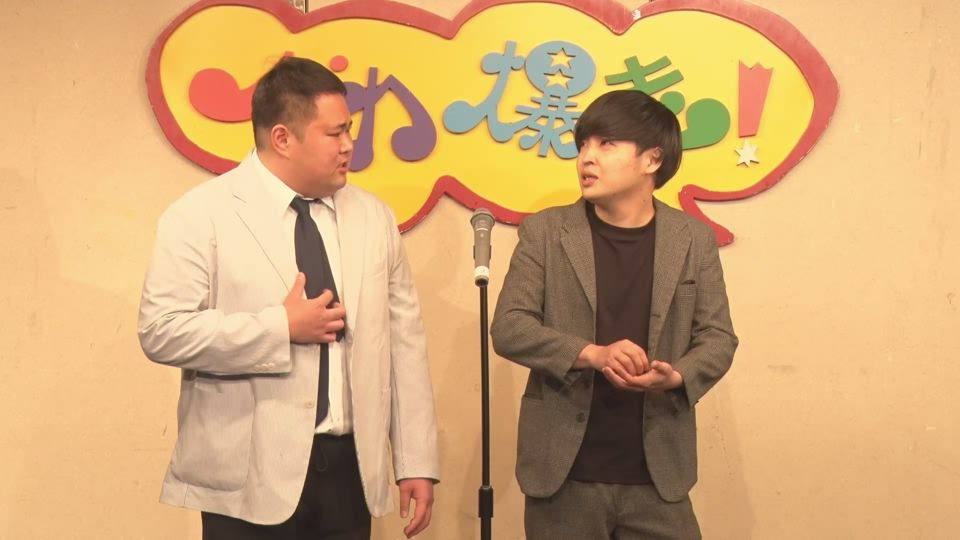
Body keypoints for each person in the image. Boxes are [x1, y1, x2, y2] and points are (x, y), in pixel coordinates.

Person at [138, 57, 438, 540]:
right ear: (282, 138)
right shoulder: (201, 215)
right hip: (246, 477)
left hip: (348, 471)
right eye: (335, 133)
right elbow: (162, 331)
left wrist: (415, 460)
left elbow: (404, 344)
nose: (349, 145)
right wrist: (280, 328)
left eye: (349, 129)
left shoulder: (374, 217)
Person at [490, 89, 738, 539]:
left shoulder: (692, 239)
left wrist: (677, 376)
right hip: (564, 474)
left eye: (606, 143)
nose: (587, 158)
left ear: (652, 159)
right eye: (583, 144)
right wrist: (592, 353)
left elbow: (718, 337)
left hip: (658, 473)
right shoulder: (546, 232)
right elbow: (510, 327)